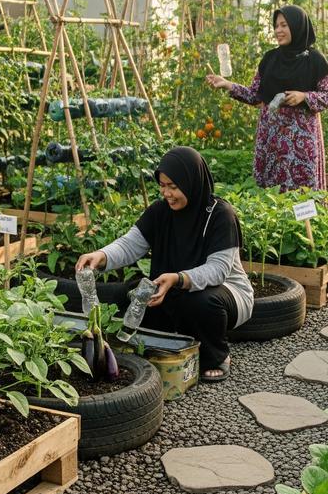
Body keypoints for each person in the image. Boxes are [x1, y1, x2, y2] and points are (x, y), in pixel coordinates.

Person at [76, 147, 254, 382]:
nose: (167, 193)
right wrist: (100, 256)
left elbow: (218, 270)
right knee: (133, 294)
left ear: (192, 181)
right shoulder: (161, 212)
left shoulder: (220, 215)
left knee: (200, 301)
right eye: (163, 185)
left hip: (227, 294)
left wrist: (178, 278)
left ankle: (216, 356)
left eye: (173, 186)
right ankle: (169, 342)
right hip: (170, 287)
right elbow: (130, 245)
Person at [206, 5, 328, 191]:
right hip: (271, 141)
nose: (278, 31)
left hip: (301, 145)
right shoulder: (270, 59)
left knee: (304, 195)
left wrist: (304, 96)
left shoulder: (315, 60)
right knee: (272, 199)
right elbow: (254, 95)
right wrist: (227, 84)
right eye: (276, 26)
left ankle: (308, 222)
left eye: (284, 25)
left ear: (297, 26)